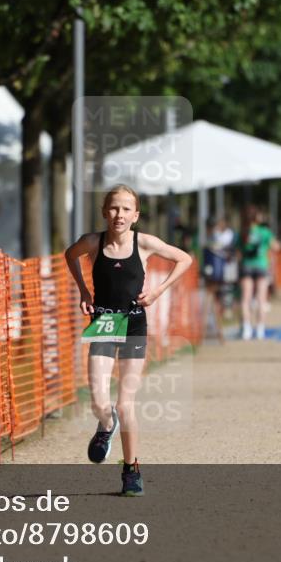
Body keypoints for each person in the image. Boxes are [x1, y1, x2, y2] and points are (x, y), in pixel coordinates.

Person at [64, 184, 193, 497]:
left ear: (135, 215)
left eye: (125, 209)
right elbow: (70, 255)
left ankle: (131, 469)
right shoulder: (93, 242)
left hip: (134, 322)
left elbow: (184, 259)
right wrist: (83, 290)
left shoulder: (145, 243)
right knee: (97, 399)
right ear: (104, 212)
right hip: (106, 321)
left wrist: (159, 290)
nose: (118, 214)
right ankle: (106, 425)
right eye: (113, 208)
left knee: (125, 402)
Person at [236, 205, 278, 340]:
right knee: (261, 299)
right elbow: (276, 246)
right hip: (261, 265)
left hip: (246, 266)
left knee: (245, 299)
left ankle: (247, 329)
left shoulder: (242, 232)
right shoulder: (264, 231)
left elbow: (237, 252)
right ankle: (260, 328)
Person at [203, 217, 234, 343]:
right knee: (213, 303)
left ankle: (210, 332)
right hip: (216, 275)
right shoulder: (214, 239)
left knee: (212, 302)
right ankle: (217, 334)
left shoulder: (214, 239)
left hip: (214, 275)